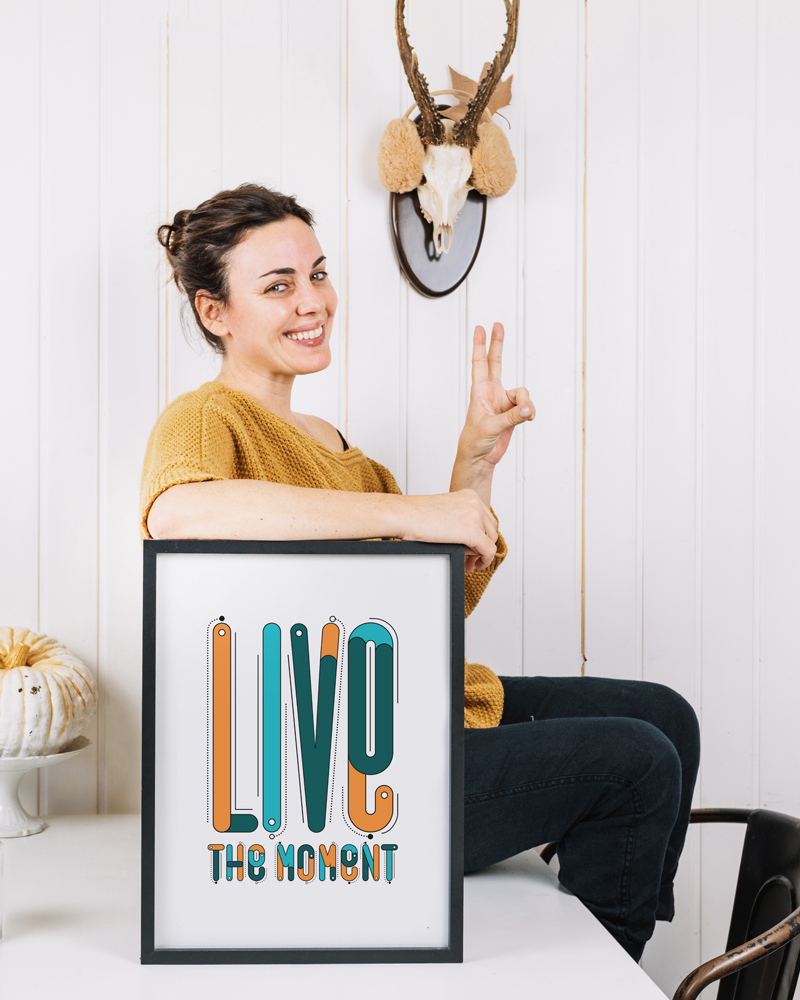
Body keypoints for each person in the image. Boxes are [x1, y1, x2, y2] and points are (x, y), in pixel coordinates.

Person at [140, 183, 699, 961]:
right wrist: (413, 512)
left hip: (416, 704)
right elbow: (179, 515)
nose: (313, 301)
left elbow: (433, 607)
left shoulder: (340, 449)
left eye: (318, 273)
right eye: (278, 286)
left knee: (668, 717)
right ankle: (597, 977)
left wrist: (472, 464)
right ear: (215, 313)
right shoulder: (206, 419)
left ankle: (604, 950)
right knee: (637, 761)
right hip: (338, 773)